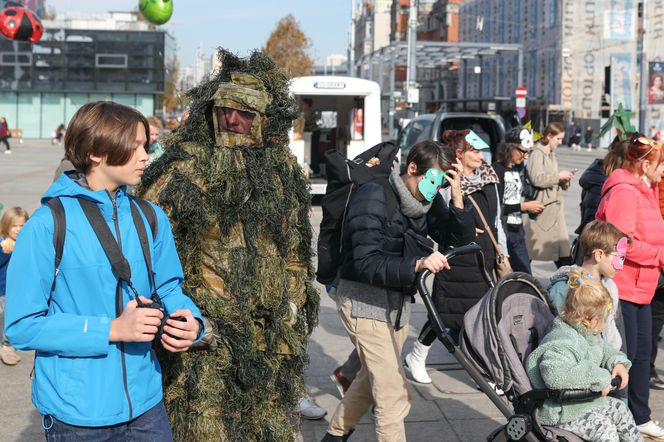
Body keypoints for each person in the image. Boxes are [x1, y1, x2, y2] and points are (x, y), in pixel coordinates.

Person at [4, 101, 205, 440]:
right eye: (135, 146)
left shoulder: (150, 217)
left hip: (147, 406)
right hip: (77, 415)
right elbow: (22, 326)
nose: (145, 155)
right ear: (96, 151)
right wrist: (111, 329)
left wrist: (191, 322)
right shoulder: (47, 224)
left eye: (146, 145)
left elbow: (170, 288)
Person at [323, 141, 453, 442]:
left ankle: (334, 436)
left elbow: (454, 236)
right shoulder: (374, 196)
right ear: (412, 169)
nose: (436, 189)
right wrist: (418, 263)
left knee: (370, 381)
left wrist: (456, 197)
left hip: (394, 303)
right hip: (362, 300)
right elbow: (367, 262)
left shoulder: (421, 204)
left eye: (442, 183)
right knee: (393, 393)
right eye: (434, 180)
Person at [403, 130, 509, 386]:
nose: (481, 156)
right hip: (456, 256)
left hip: (483, 252)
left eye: (482, 151)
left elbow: (496, 221)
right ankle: (418, 355)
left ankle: (485, 369)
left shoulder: (491, 178)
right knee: (446, 310)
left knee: (481, 313)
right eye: (475, 151)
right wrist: (456, 192)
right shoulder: (445, 179)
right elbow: (444, 222)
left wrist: (501, 249)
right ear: (460, 153)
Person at [596, 133, 664, 439]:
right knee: (622, 356)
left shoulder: (644, 190)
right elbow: (619, 244)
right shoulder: (624, 192)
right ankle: (615, 417)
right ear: (644, 163)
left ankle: (639, 416)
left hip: (642, 287)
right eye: (660, 164)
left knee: (640, 355)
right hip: (623, 287)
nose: (662, 171)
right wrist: (659, 256)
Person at [526, 268, 638, 441]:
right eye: (604, 320)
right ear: (591, 320)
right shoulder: (562, 340)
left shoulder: (587, 332)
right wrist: (601, 378)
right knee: (605, 430)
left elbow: (603, 349)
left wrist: (617, 362)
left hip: (582, 404)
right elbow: (554, 375)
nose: (604, 326)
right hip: (561, 411)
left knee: (619, 409)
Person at [548, 220, 628, 353]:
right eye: (619, 258)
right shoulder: (564, 289)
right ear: (599, 255)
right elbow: (553, 331)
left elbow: (614, 330)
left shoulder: (610, 287)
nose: (621, 265)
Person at [491, 127, 544, 274]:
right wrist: (523, 206)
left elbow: (524, 192)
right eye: (523, 151)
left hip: (517, 231)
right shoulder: (496, 170)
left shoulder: (518, 170)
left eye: (529, 152)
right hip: (502, 231)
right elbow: (496, 207)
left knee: (525, 273)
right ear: (510, 148)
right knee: (505, 274)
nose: (526, 156)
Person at [525, 122, 575, 268]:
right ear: (549, 136)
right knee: (530, 251)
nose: (560, 142)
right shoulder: (537, 153)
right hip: (542, 209)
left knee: (563, 253)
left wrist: (564, 179)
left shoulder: (550, 154)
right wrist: (559, 176)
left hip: (553, 210)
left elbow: (550, 178)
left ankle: (570, 283)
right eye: (558, 139)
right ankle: (520, 281)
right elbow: (537, 178)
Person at [0, 207, 28, 366]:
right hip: (3, 289)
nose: (18, 230)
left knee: (12, 316)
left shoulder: (26, 242)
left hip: (18, 289)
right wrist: (4, 251)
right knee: (6, 316)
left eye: (22, 226)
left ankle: (8, 343)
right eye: (14, 226)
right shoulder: (3, 243)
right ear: (6, 225)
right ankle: (6, 347)